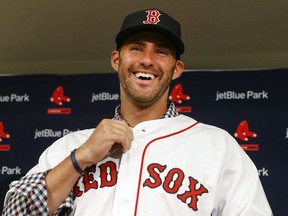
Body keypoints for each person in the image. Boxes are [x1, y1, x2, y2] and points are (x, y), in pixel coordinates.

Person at [2, 8, 272, 216]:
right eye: (136, 48)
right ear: (117, 60)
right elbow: (14, 211)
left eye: (161, 52)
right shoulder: (70, 146)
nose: (147, 60)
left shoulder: (217, 145)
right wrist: (82, 157)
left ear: (176, 69)